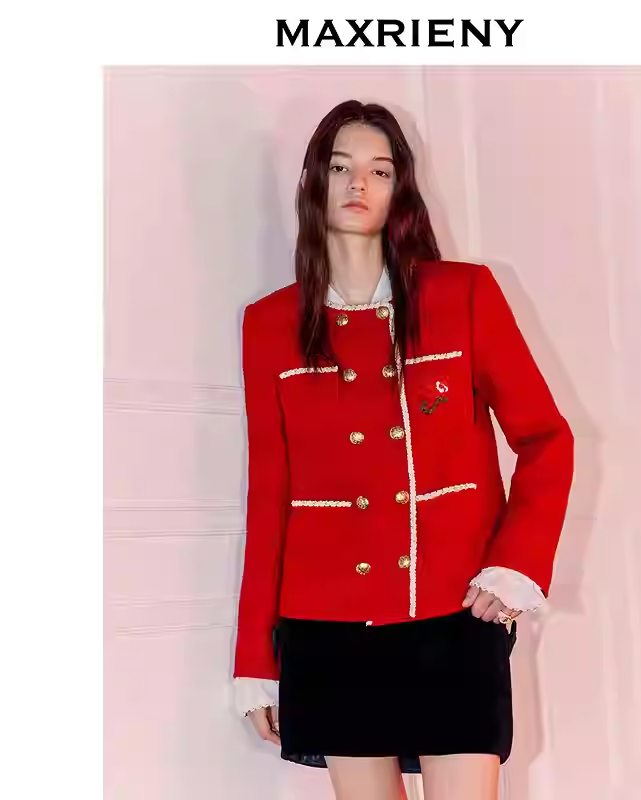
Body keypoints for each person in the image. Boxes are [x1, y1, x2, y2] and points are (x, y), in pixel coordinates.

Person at [231, 99, 574, 800]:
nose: (358, 183)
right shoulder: (269, 326)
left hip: (453, 617)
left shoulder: (463, 296)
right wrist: (254, 658)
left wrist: (514, 566)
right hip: (327, 630)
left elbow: (547, 439)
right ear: (313, 183)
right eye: (340, 167)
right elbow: (269, 499)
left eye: (379, 170)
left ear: (400, 190)